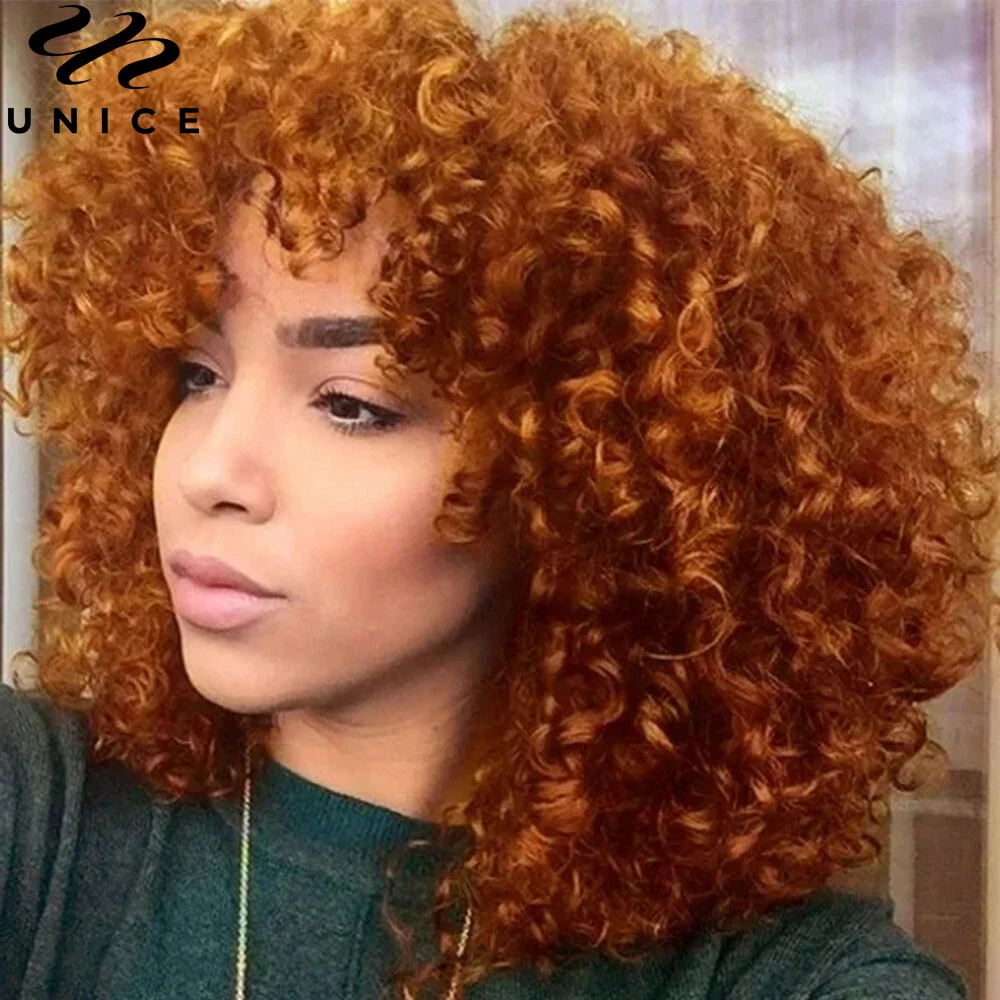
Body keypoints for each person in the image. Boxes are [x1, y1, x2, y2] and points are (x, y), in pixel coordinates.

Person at [1, 0, 997, 998]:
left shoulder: (790, 980)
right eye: (197, 374)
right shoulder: (42, 823)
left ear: (579, 474)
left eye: (349, 404)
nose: (208, 471)